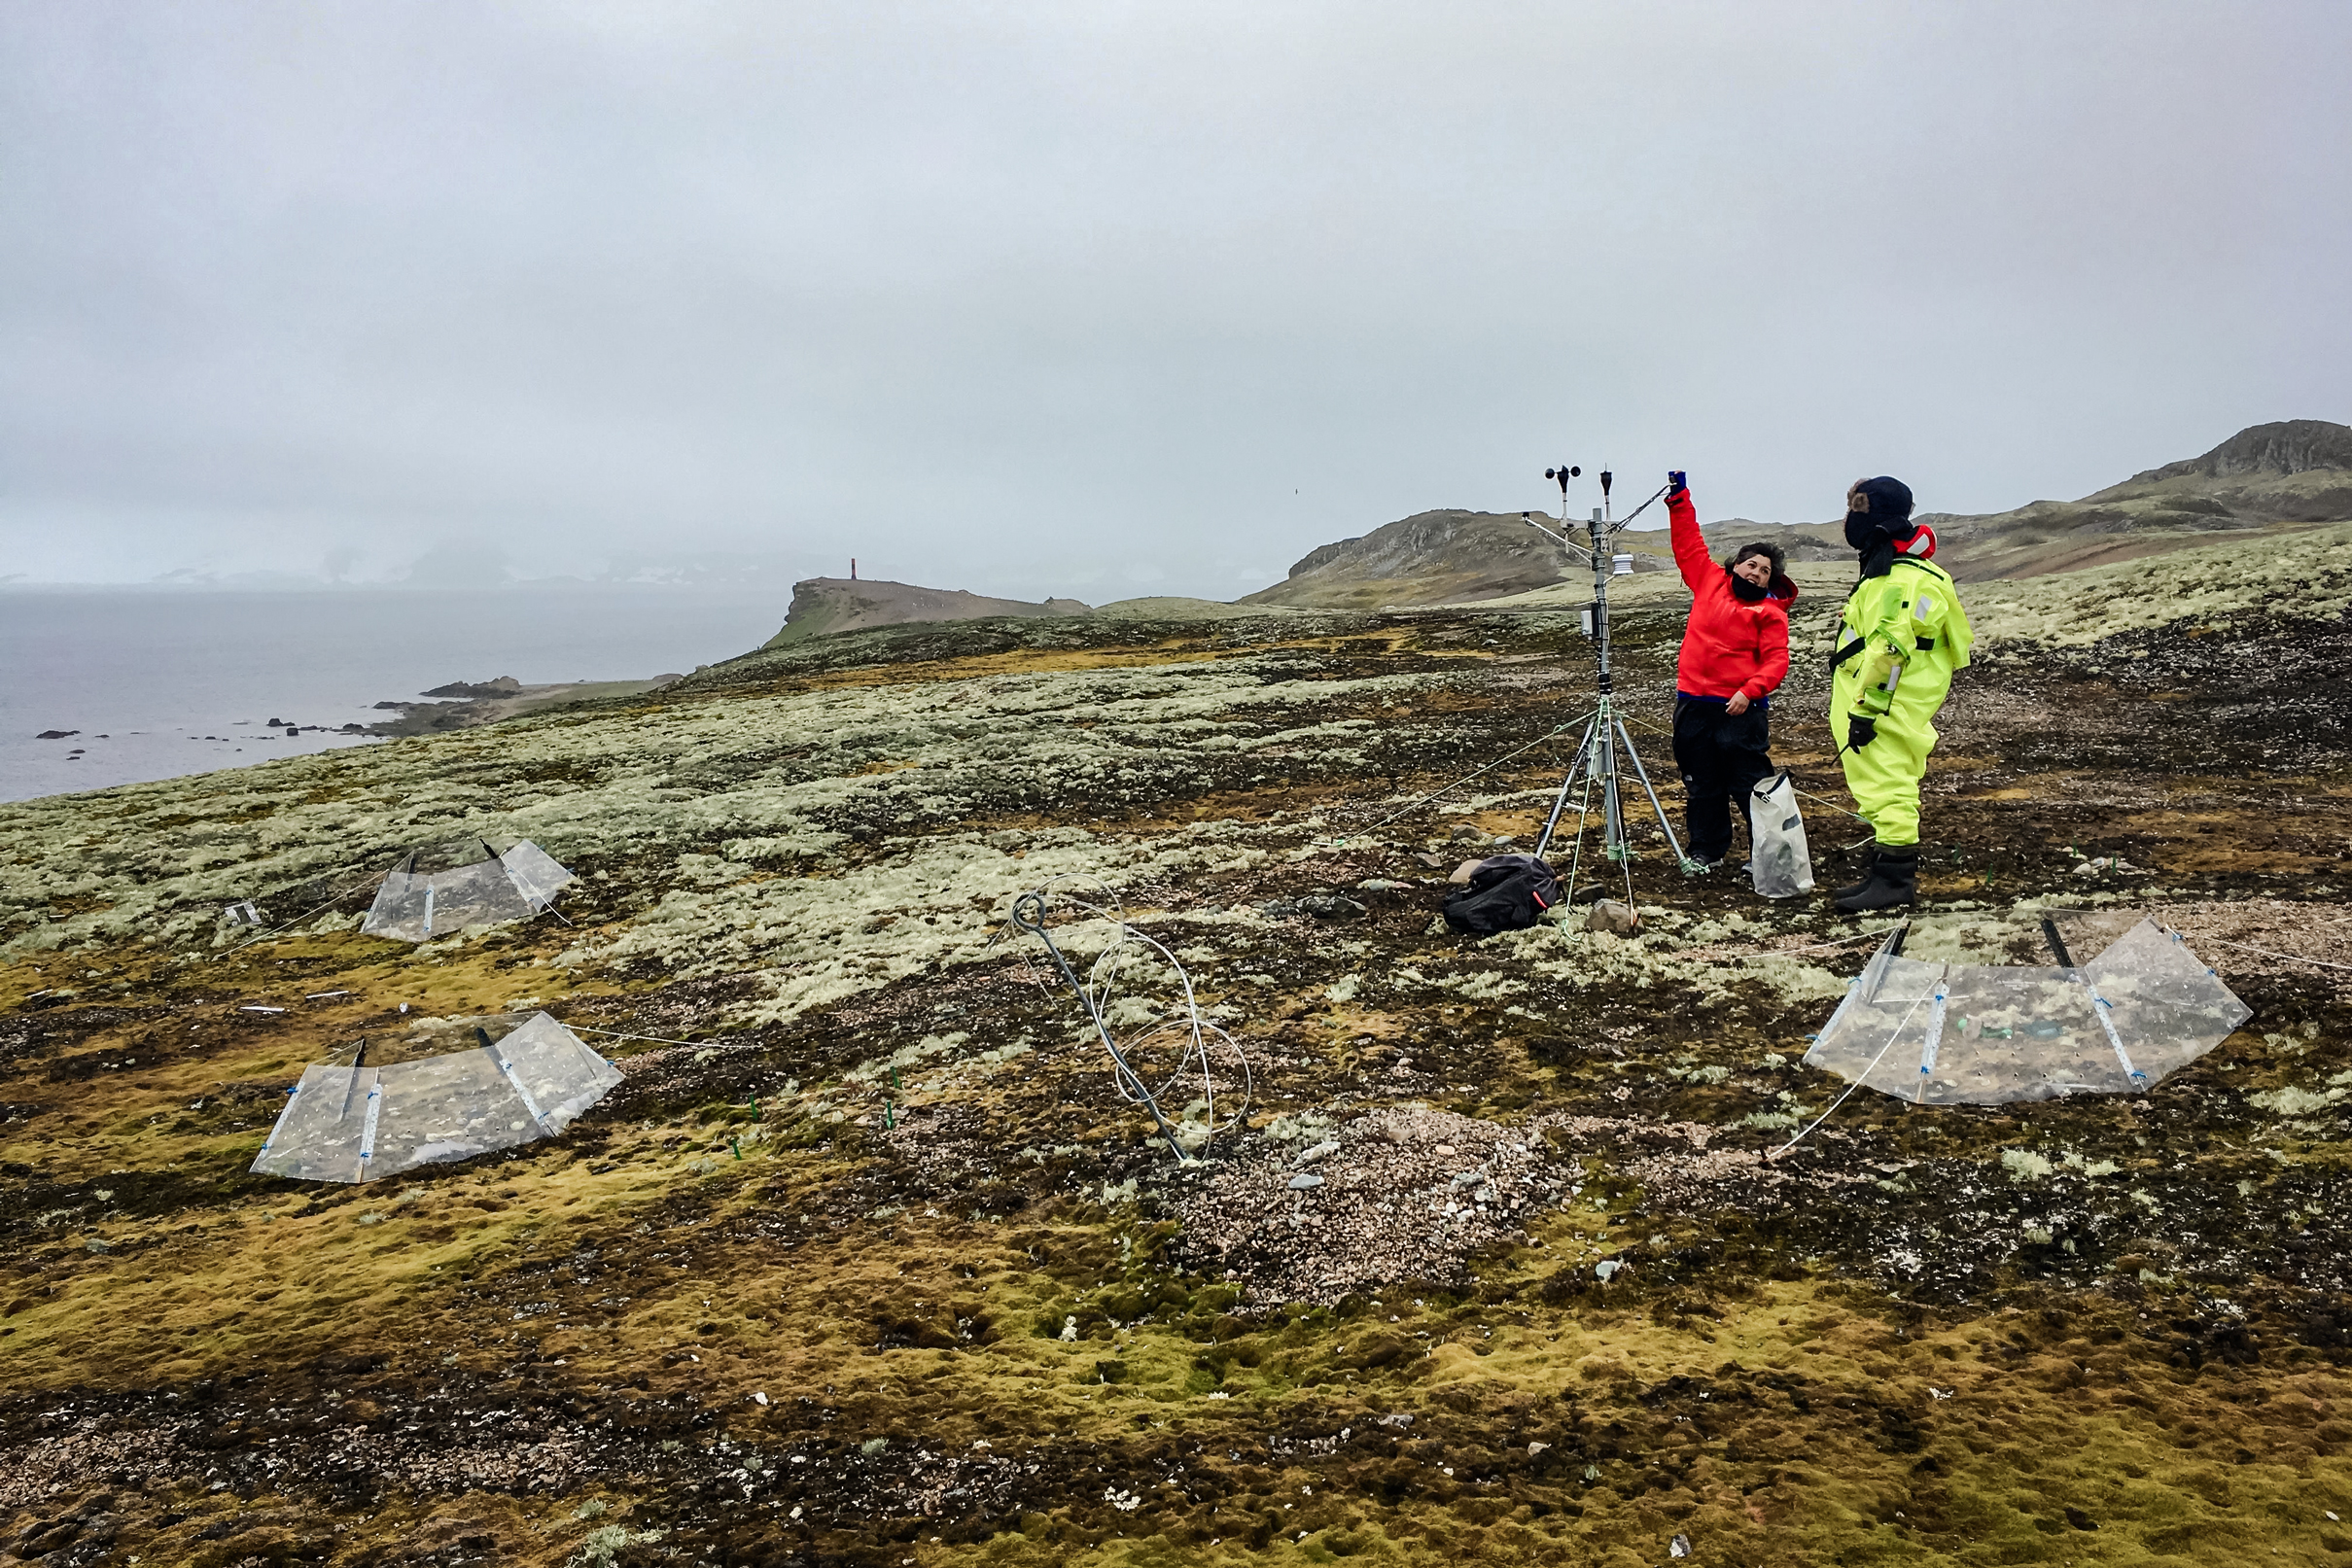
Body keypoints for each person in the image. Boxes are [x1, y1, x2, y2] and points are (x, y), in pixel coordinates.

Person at [1829, 475, 1975, 912]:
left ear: (1874, 516)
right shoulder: (1893, 570)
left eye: (1856, 510)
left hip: (1885, 705)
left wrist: (1867, 710)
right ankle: (1883, 871)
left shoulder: (1900, 580)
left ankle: (1894, 881)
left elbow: (1891, 649)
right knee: (1880, 780)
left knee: (1888, 782)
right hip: (1884, 701)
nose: (1849, 520)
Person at [1664, 470, 1799, 871]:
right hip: (1693, 703)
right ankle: (1707, 851)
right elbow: (1688, 544)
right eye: (1751, 564)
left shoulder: (1770, 613)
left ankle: (1772, 856)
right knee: (1701, 783)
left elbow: (1777, 661)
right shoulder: (1708, 581)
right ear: (1736, 564)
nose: (1756, 573)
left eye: (1764, 571)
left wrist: (1750, 691)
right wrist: (1680, 497)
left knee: (1750, 785)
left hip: (1741, 709)